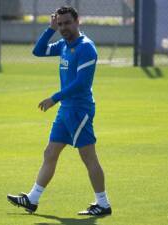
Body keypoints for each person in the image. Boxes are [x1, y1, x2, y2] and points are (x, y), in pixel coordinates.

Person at [7, 6, 112, 217]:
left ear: (77, 21)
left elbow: (81, 84)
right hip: (66, 110)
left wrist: (54, 98)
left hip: (79, 110)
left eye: (67, 23)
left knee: (88, 157)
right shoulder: (64, 44)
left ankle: (103, 204)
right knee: (50, 153)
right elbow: (37, 51)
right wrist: (50, 29)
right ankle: (32, 199)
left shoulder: (86, 48)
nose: (64, 27)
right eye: (61, 24)